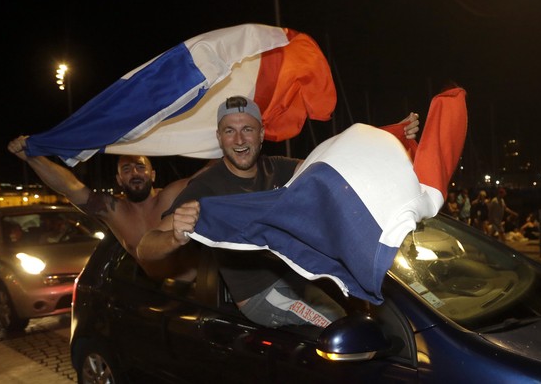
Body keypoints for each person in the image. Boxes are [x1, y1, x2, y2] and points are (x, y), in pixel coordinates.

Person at [137, 95, 420, 328]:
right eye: (229, 131)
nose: (239, 140)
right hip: (261, 294)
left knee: (367, 311)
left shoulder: (279, 167)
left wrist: (390, 137)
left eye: (247, 129)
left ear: (261, 134)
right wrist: (175, 236)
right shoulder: (206, 187)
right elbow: (145, 248)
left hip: (298, 275)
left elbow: (333, 164)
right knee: (336, 325)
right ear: (219, 138)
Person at [7, 137, 209, 278]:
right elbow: (70, 188)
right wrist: (32, 157)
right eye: (127, 169)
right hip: (152, 293)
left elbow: (210, 176)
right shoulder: (115, 211)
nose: (135, 173)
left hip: (196, 291)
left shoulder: (172, 196)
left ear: (153, 175)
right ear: (119, 180)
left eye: (140, 167)